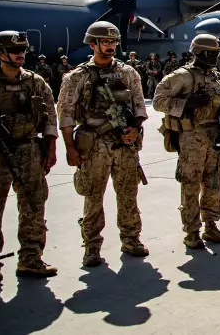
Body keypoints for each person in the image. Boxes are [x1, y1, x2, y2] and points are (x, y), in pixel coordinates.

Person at [58, 22, 149, 266]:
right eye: (105, 42)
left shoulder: (128, 73)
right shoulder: (77, 77)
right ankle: (91, 246)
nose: (110, 46)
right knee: (93, 196)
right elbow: (65, 115)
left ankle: (131, 239)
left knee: (128, 194)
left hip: (125, 144)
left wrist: (135, 129)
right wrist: (70, 147)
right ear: (93, 44)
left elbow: (139, 106)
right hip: (94, 144)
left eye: (113, 42)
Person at [0, 31, 59, 288]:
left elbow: (50, 115)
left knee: (33, 205)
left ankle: (31, 258)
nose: (20, 54)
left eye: (23, 50)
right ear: (0, 54)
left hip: (29, 149)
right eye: (15, 50)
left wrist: (50, 146)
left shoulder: (35, 82)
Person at [153, 34, 220, 248]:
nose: (214, 57)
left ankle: (211, 224)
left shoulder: (219, 78)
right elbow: (158, 101)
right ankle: (191, 231)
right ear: (197, 53)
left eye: (216, 53)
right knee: (190, 184)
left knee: (213, 183)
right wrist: (187, 103)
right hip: (192, 137)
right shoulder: (182, 76)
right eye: (210, 53)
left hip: (215, 136)